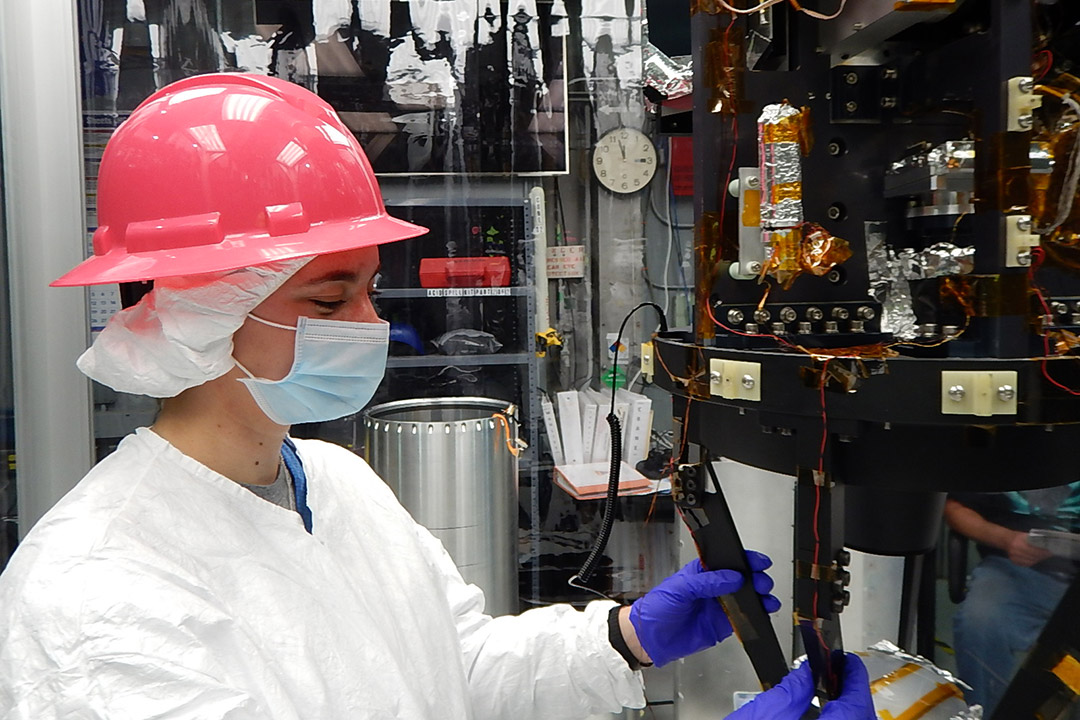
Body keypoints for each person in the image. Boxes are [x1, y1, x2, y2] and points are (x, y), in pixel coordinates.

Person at [0, 72, 872, 719]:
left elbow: (455, 669)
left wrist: (623, 637)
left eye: (371, 289)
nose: (371, 325)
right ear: (196, 315)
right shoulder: (96, 598)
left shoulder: (337, 485)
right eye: (330, 299)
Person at [946, 483, 1080, 716]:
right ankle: (984, 712)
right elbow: (954, 507)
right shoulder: (1004, 449)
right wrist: (1007, 540)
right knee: (980, 620)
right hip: (1014, 566)